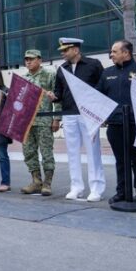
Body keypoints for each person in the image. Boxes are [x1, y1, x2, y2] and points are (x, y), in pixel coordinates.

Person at [97, 40, 136, 205]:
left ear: (126, 53)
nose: (111, 55)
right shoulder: (107, 73)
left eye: (114, 51)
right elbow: (98, 96)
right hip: (115, 124)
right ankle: (122, 192)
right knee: (120, 160)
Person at [50, 37, 106, 202]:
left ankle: (96, 188)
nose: (63, 53)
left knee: (93, 152)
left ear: (76, 49)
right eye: (62, 51)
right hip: (69, 113)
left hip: (88, 114)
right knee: (72, 152)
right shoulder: (62, 69)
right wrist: (53, 96)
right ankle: (76, 187)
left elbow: (102, 87)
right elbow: (59, 92)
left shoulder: (93, 64)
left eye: (65, 50)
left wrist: (100, 111)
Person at [21, 49, 60, 196]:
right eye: (26, 59)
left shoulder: (49, 75)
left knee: (46, 152)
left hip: (44, 121)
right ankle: (36, 181)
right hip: (27, 122)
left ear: (39, 60)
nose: (28, 62)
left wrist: (56, 118)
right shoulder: (23, 78)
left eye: (31, 59)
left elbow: (57, 98)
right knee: (29, 152)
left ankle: (47, 183)